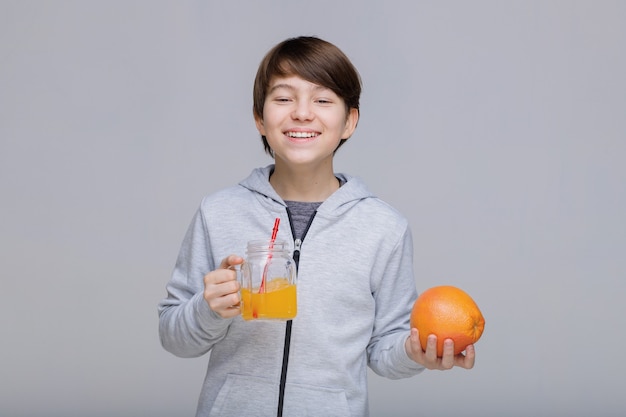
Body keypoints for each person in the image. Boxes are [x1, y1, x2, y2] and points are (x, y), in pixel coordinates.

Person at [158, 36, 476, 417]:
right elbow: (174, 337)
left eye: (322, 100)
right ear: (260, 117)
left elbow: (384, 350)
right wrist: (207, 310)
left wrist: (414, 352)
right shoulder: (219, 212)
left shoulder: (382, 227)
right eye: (283, 98)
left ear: (349, 121)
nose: (302, 113)